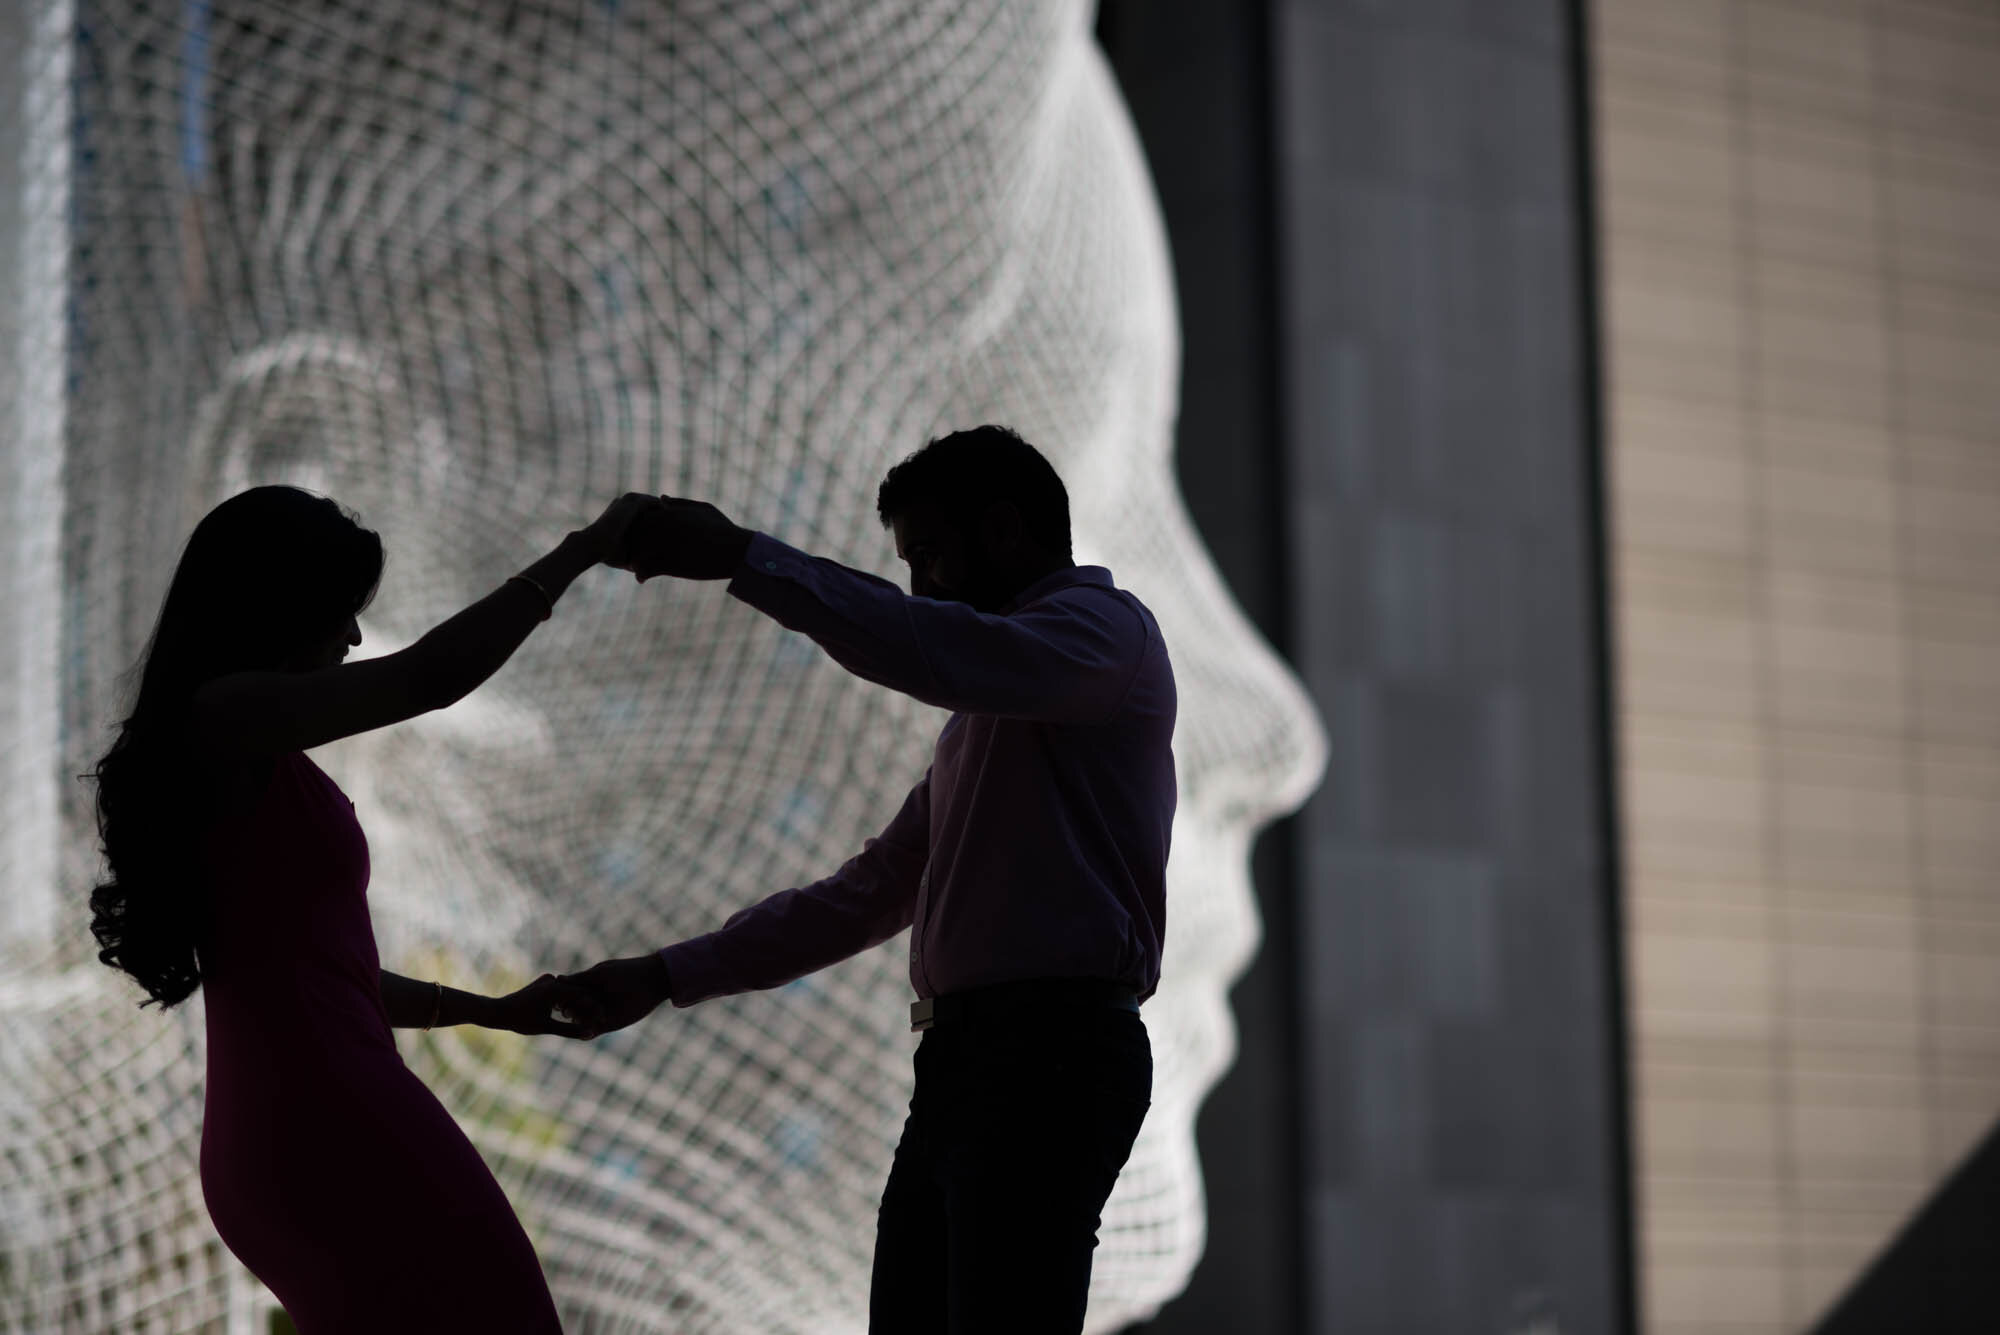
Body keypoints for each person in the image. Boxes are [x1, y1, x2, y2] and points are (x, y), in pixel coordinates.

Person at [563, 426, 1175, 1335]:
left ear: (1006, 530)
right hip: (985, 1061)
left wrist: (741, 556)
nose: (918, 585)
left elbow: (924, 642)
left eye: (929, 554)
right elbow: (875, 888)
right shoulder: (1001, 705)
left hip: (1047, 1056)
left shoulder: (1103, 634)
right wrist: (663, 975)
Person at [87, 484, 642, 1334]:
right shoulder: (224, 718)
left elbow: (327, 971)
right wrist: (585, 548)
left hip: (289, 1125)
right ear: (278, 608)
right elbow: (430, 676)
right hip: (323, 1118)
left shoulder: (238, 746)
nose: (352, 636)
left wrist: (495, 1012)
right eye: (339, 611)